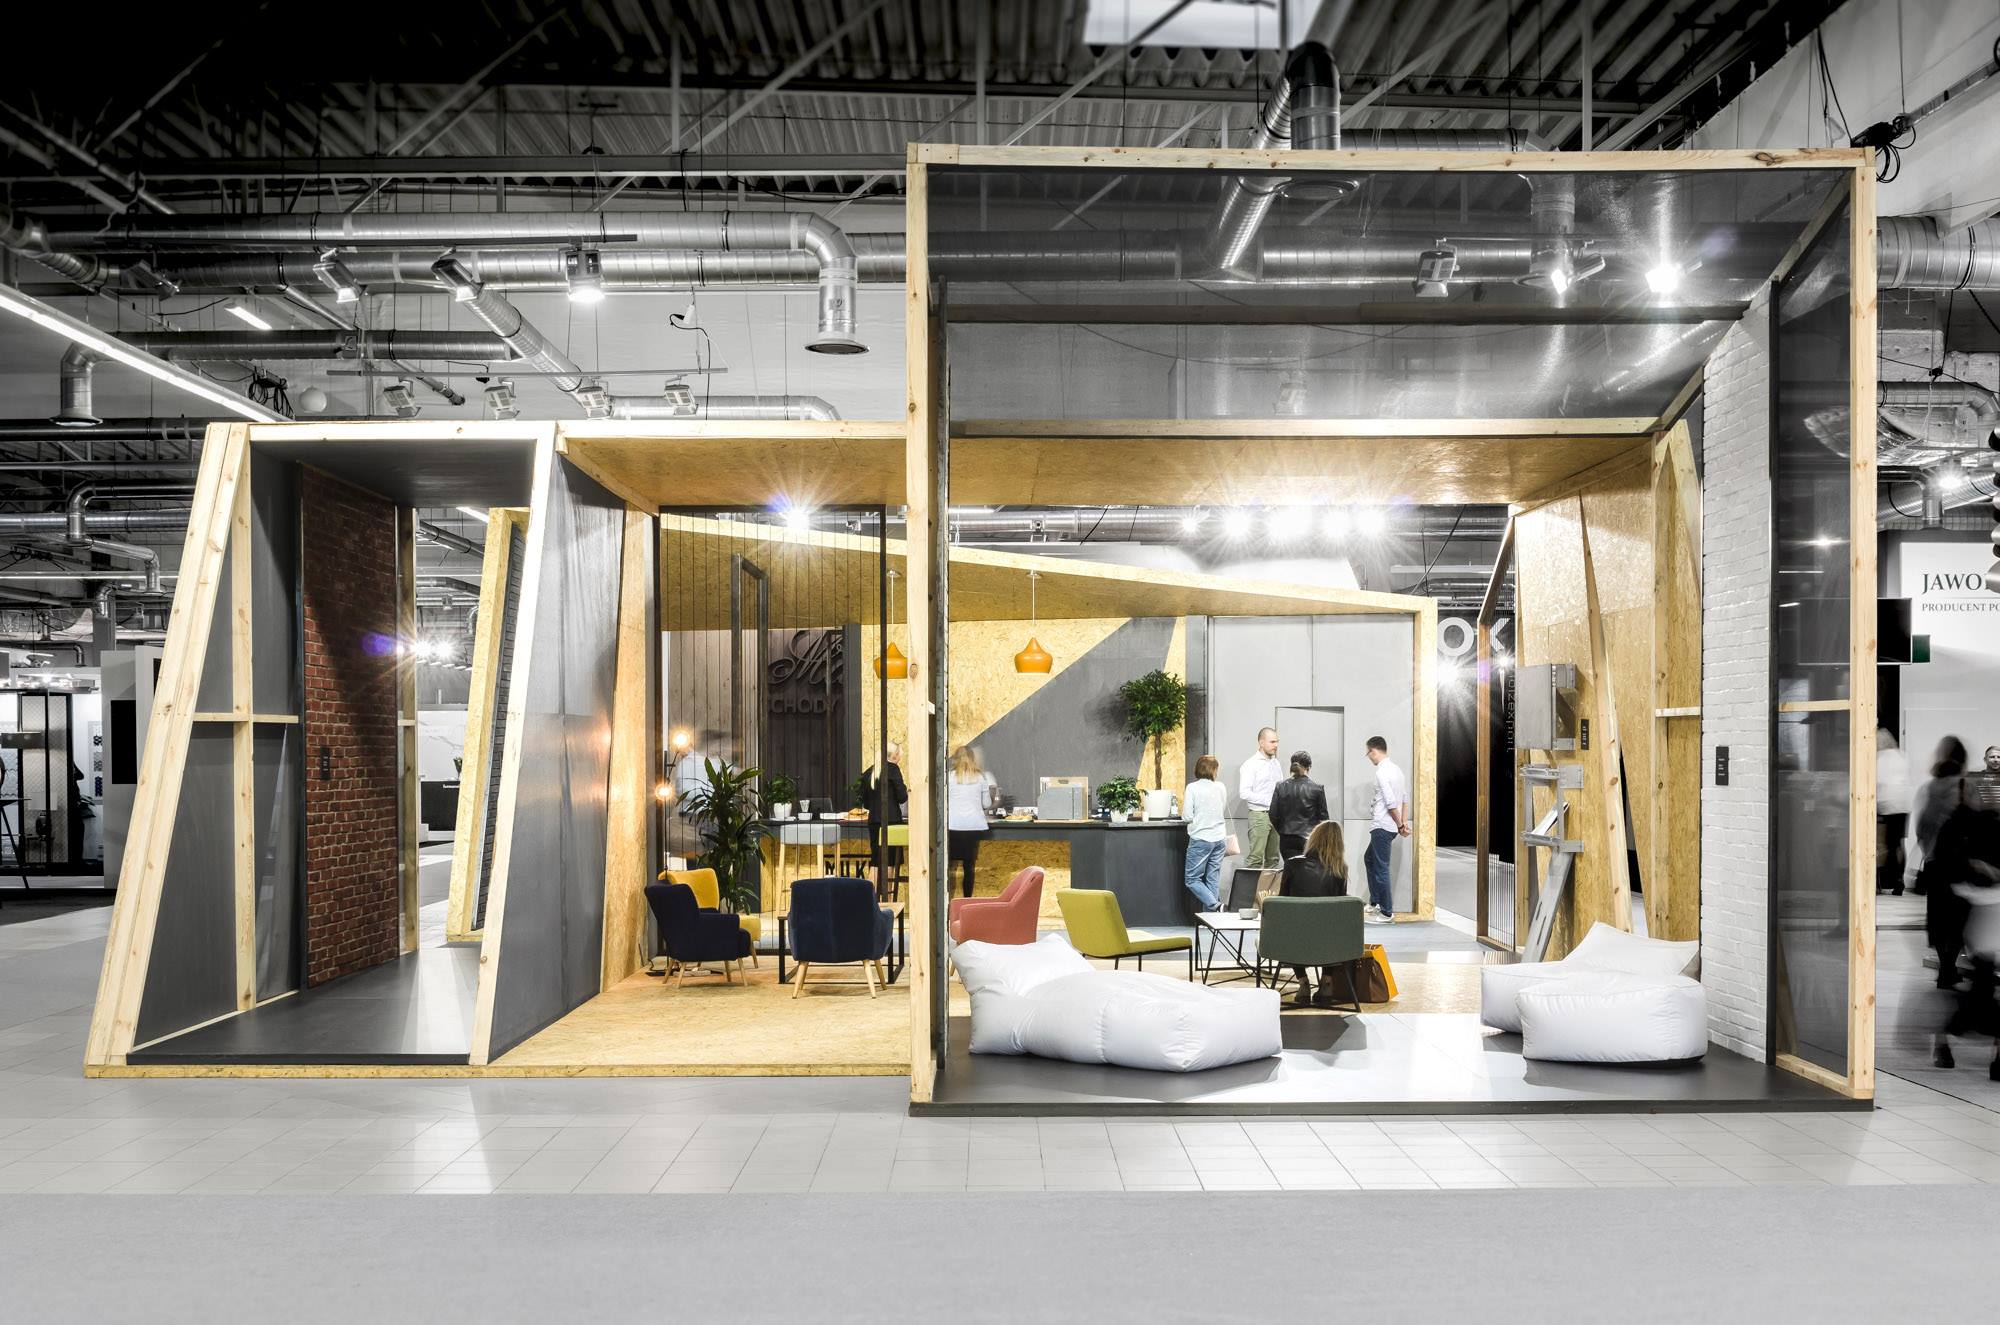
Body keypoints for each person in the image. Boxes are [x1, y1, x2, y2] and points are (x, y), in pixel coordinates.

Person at [1280, 821, 1350, 1008]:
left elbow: (1281, 905)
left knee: (1290, 926)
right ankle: (1327, 982)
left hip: (1295, 940)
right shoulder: (1341, 870)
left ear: (1313, 838)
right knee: (1333, 926)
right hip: (1328, 942)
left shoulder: (1292, 864)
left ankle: (1303, 982)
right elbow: (1339, 911)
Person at [1363, 736, 1409, 923]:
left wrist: (1401, 825)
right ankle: (1375, 901)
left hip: (1382, 825)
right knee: (1369, 859)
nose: (1369, 757)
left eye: (1368, 753)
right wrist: (1402, 823)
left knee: (1381, 867)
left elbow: (1391, 803)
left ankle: (1386, 911)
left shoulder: (1382, 772)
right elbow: (1404, 799)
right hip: (1389, 826)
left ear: (1373, 751)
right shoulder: (1397, 770)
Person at [945, 745, 998, 900]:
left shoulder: (948, 777)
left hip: (953, 826)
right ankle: (967, 900)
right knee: (969, 866)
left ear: (955, 759)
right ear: (972, 758)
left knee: (949, 866)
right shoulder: (980, 777)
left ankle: (948, 901)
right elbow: (986, 804)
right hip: (973, 826)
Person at [1181, 754, 1228, 911]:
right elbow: (1221, 809)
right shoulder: (1221, 787)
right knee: (1212, 878)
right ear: (1214, 770)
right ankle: (1212, 918)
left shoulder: (1192, 788)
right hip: (1220, 838)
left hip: (1201, 838)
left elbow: (1187, 816)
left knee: (1192, 879)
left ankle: (1215, 905)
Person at [1268, 750, 1330, 861]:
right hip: (1309, 839)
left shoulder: (1280, 786)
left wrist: (1282, 831)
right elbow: (1324, 820)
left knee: (1290, 869)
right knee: (1308, 869)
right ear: (1309, 767)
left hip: (1286, 839)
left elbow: (1273, 815)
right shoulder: (1317, 788)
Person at [1237, 726, 1281, 870]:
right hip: (1259, 815)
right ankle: (1250, 886)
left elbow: (1279, 788)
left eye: (1277, 742)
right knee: (1255, 859)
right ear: (1261, 743)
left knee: (1273, 859)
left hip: (1276, 816)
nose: (1276, 745)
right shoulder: (1250, 764)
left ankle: (1269, 886)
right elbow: (1244, 793)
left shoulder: (1276, 763)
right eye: (1272, 742)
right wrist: (1268, 801)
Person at [1877, 728, 1910, 896]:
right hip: (1903, 805)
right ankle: (1899, 881)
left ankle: (1882, 881)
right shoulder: (1901, 756)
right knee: (1898, 844)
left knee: (1885, 845)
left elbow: (1876, 782)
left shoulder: (1880, 757)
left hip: (1886, 804)